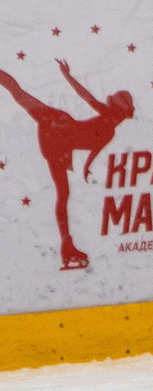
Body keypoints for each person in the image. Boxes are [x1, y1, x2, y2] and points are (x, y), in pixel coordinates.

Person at [0, 58, 132, 271]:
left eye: (115, 99)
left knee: (20, 95)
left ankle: (67, 245)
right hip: (59, 137)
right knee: (63, 195)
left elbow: (87, 103)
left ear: (118, 106)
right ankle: (66, 244)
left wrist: (87, 165)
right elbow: (94, 146)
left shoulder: (108, 122)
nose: (110, 101)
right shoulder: (109, 127)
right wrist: (67, 76)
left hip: (58, 134)